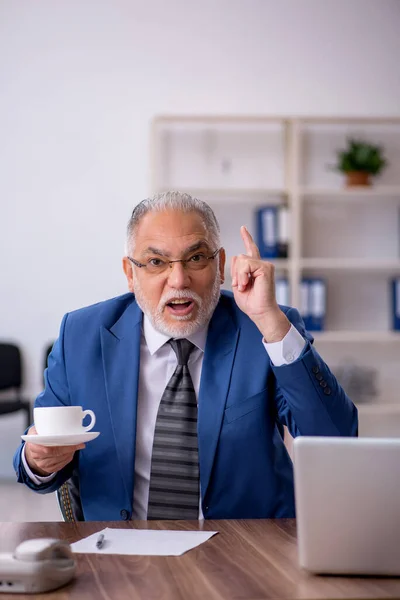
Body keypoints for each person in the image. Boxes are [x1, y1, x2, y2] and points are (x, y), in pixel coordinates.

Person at [14, 191, 357, 521]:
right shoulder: (82, 335)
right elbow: (33, 465)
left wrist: (272, 323)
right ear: (130, 274)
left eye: (195, 258)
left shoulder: (263, 328)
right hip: (123, 554)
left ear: (220, 264)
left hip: (246, 551)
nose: (178, 279)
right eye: (155, 262)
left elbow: (337, 440)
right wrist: (39, 460)